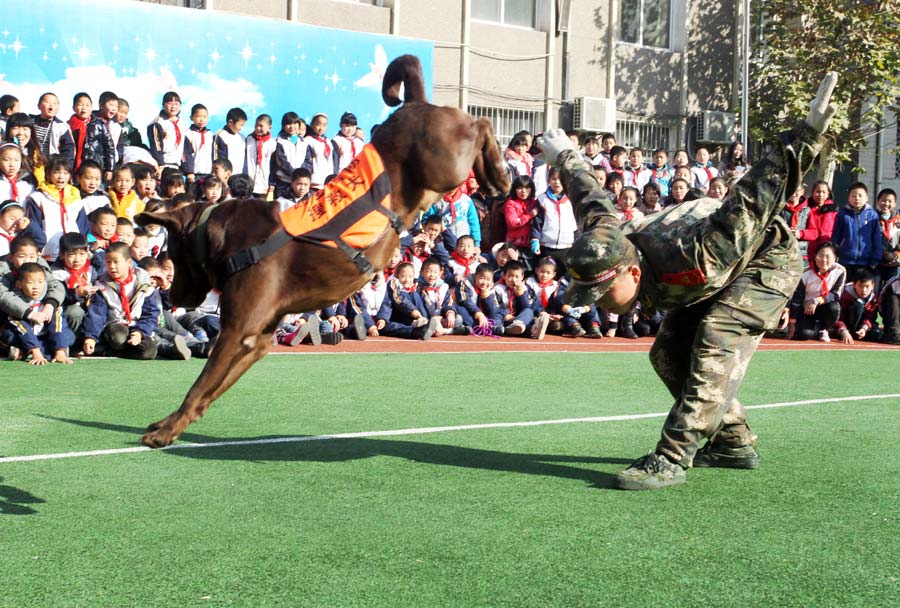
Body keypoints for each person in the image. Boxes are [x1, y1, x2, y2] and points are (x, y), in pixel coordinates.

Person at [536, 72, 838, 490]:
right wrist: (566, 156)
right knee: (667, 352)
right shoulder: (607, 240)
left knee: (717, 336)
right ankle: (732, 442)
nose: (600, 304)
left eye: (603, 294)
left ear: (633, 272)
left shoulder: (701, 250)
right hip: (702, 277)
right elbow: (590, 197)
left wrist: (807, 134)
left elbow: (754, 196)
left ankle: (672, 457)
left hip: (763, 260)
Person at [82, 241, 159, 359]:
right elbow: (97, 314)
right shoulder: (102, 285)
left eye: (116, 262)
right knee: (118, 337)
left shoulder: (144, 283)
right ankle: (105, 347)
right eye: (108, 262)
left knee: (148, 352)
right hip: (115, 325)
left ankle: (106, 351)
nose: (112, 266)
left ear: (129, 263)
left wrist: (139, 333)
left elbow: (151, 313)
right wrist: (90, 338)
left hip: (137, 326)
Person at [3, 261, 74, 364]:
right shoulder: (16, 302)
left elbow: (58, 324)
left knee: (69, 336)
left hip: (45, 335)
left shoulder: (49, 301)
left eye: (40, 282)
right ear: (19, 284)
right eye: (30, 283)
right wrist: (35, 350)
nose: (36, 287)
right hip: (24, 335)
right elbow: (21, 327)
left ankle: (56, 351)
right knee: (8, 336)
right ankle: (35, 351)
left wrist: (60, 350)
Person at [24, 154, 87, 261]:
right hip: (49, 253)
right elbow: (34, 225)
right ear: (48, 174)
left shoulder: (74, 196)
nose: (61, 177)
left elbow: (83, 225)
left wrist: (83, 245)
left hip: (74, 255)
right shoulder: (38, 198)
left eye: (65, 173)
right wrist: (38, 247)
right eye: (57, 172)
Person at [786, 242, 845, 342]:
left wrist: (816, 301)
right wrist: (792, 322)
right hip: (807, 309)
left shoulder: (840, 271)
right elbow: (797, 298)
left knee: (834, 307)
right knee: (804, 335)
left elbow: (836, 294)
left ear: (835, 258)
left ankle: (824, 329)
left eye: (828, 256)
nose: (824, 260)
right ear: (815, 257)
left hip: (825, 306)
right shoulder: (805, 273)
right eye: (820, 256)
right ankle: (814, 328)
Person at [375, 262, 441, 340]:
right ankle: (417, 329)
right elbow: (394, 301)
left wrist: (434, 316)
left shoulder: (417, 285)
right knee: (386, 327)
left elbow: (427, 302)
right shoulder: (393, 284)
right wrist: (383, 319)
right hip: (399, 317)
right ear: (397, 275)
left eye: (410, 276)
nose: (407, 280)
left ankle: (426, 324)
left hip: (419, 317)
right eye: (403, 276)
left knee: (418, 296)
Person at [830, 182, 882, 281]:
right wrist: (834, 255)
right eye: (853, 196)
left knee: (862, 288)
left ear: (866, 198)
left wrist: (875, 260)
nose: (857, 198)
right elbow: (836, 237)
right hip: (845, 262)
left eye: (860, 195)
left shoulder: (872, 216)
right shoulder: (842, 215)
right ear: (848, 198)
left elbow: (876, 239)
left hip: (866, 263)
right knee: (846, 288)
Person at [50, 231, 97, 334]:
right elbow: (60, 295)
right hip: (66, 309)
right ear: (62, 255)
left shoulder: (91, 269)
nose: (77, 259)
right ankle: (75, 338)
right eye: (71, 255)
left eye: (82, 254)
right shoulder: (57, 274)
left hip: (87, 306)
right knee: (75, 312)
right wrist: (77, 293)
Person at [532, 167, 576, 269]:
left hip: (567, 246)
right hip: (547, 246)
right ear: (548, 180)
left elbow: (576, 223)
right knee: (546, 273)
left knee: (564, 274)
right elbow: (537, 222)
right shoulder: (542, 199)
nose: (557, 182)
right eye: (554, 179)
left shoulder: (571, 199)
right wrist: (535, 239)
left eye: (560, 179)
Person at [833, 269, 881, 344]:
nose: (864, 290)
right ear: (854, 285)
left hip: (861, 325)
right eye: (861, 286)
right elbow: (838, 316)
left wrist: (864, 328)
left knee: (878, 335)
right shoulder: (844, 293)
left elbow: (870, 317)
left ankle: (859, 333)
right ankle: (849, 333)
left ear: (873, 286)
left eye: (867, 286)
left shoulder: (873, 297)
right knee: (857, 306)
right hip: (845, 324)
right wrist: (843, 330)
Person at [31, 92, 75, 167]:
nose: (51, 106)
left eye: (55, 103)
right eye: (47, 102)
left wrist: (67, 168)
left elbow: (68, 149)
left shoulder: (62, 127)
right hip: (31, 164)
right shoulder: (29, 123)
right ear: (39, 106)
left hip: (51, 166)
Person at [272, 112, 310, 199]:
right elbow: (281, 161)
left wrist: (302, 175)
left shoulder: (304, 142)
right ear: (283, 126)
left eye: (295, 123)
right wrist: (294, 175)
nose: (292, 126)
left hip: (300, 183)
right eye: (288, 124)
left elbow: (307, 161)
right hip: (284, 182)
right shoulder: (279, 141)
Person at [493, 259, 535, 336]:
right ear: (504, 276)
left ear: (522, 276)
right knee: (495, 317)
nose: (514, 280)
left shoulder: (525, 288)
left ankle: (517, 326)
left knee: (529, 311)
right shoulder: (498, 288)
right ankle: (530, 330)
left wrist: (520, 294)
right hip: (504, 317)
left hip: (519, 318)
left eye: (517, 277)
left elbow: (526, 307)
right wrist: (505, 315)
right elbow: (495, 307)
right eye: (510, 276)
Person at [148, 91, 186, 170]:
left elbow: (184, 147)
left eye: (176, 104)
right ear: (163, 105)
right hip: (163, 165)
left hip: (177, 165)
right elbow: (156, 145)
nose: (173, 106)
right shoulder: (158, 123)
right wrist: (160, 164)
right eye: (170, 103)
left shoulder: (182, 123)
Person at [800, 180, 838, 260]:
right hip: (808, 249)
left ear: (828, 194)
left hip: (826, 249)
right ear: (812, 193)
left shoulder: (833, 211)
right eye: (818, 192)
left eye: (824, 192)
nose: (821, 195)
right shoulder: (805, 209)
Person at [245, 114, 277, 198]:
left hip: (264, 183)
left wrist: (272, 182)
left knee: (261, 204)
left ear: (269, 128)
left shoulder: (273, 144)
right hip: (248, 182)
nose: (258, 128)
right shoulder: (248, 140)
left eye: (261, 126)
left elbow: (274, 165)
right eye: (256, 125)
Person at [183, 103, 214, 190]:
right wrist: (189, 172)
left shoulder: (210, 134)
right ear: (191, 118)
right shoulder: (188, 134)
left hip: (208, 174)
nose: (202, 119)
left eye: (204, 117)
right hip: (194, 175)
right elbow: (186, 154)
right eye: (198, 116)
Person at [304, 112, 338, 189]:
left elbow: (334, 161)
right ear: (312, 124)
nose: (321, 128)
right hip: (314, 182)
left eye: (324, 125)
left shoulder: (328, 141)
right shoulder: (308, 141)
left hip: (328, 182)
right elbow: (306, 162)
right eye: (318, 124)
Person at [875, 188, 899, 287]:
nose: (886, 203)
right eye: (883, 200)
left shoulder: (898, 220)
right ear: (878, 202)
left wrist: (896, 255)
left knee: (892, 289)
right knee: (876, 289)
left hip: (894, 264)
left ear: (895, 204)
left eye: (890, 201)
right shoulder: (873, 218)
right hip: (876, 263)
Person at [213, 107, 247, 175]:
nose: (241, 128)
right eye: (240, 125)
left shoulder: (242, 137)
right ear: (230, 122)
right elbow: (219, 157)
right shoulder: (221, 135)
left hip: (240, 175)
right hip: (227, 175)